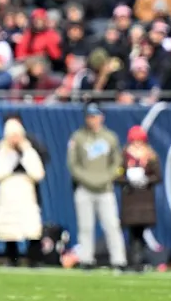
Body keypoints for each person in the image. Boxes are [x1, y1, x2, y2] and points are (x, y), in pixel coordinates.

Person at [66, 102, 127, 270]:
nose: (92, 120)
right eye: (89, 116)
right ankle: (86, 259)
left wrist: (107, 177)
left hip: (105, 188)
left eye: (95, 116)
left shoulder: (110, 137)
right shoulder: (78, 137)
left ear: (101, 117)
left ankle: (119, 260)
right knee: (85, 226)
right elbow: (73, 164)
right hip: (84, 188)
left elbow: (117, 162)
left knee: (112, 225)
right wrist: (87, 179)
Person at [0, 117, 46, 267]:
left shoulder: (29, 151)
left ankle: (34, 259)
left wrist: (25, 156)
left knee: (32, 227)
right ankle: (12, 259)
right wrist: (10, 166)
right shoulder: (1, 151)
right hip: (8, 195)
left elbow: (38, 173)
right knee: (9, 229)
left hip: (26, 194)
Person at [117, 125, 161, 272]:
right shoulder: (123, 156)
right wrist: (128, 179)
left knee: (140, 233)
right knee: (132, 232)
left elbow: (158, 176)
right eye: (134, 141)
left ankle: (140, 260)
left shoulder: (151, 156)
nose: (137, 144)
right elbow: (117, 175)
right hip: (130, 199)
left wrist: (146, 180)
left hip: (144, 200)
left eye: (139, 141)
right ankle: (133, 260)